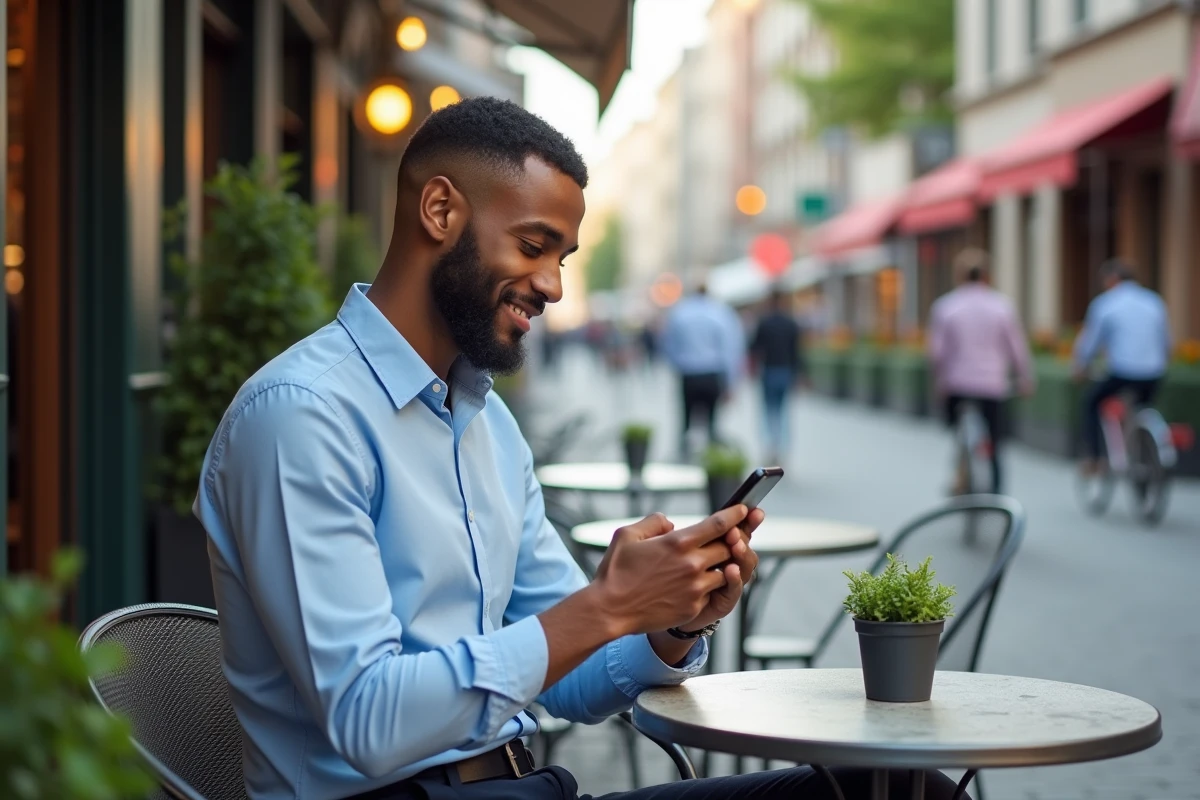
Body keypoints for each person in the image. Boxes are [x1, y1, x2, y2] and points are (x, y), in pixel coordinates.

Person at [195, 98, 966, 800]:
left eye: (561, 257)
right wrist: (607, 605)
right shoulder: (301, 416)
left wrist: (671, 620)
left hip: (526, 787)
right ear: (439, 210)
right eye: (535, 246)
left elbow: (573, 679)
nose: (554, 285)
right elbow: (369, 722)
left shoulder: (488, 427)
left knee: (894, 790)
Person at [928, 248, 1034, 495]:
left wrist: (939, 380)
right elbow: (1016, 347)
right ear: (987, 276)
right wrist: (1025, 377)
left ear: (959, 275)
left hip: (957, 384)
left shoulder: (946, 307)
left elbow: (937, 353)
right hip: (992, 385)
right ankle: (997, 494)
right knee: (995, 443)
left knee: (958, 431)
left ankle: (962, 470)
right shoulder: (1001, 306)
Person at [1072, 258, 1171, 475]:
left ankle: (1096, 459)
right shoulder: (1154, 301)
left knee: (1091, 403)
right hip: (1154, 372)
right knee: (1144, 409)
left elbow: (1089, 342)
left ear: (1112, 279)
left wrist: (1080, 366)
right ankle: (1144, 449)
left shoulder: (1106, 303)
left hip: (1122, 371)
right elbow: (1165, 342)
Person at [660, 281, 745, 456]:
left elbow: (668, 346)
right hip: (712, 374)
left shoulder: (681, 312)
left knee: (685, 421)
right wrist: (731, 383)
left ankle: (684, 457)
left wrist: (679, 365)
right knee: (712, 423)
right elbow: (730, 350)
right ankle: (710, 461)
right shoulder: (720, 313)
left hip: (688, 374)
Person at [750, 288, 805, 466]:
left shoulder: (764, 322)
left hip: (769, 371)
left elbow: (755, 348)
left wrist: (752, 369)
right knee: (783, 413)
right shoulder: (791, 323)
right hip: (786, 371)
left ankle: (771, 448)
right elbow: (797, 352)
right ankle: (782, 450)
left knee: (769, 412)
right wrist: (799, 375)